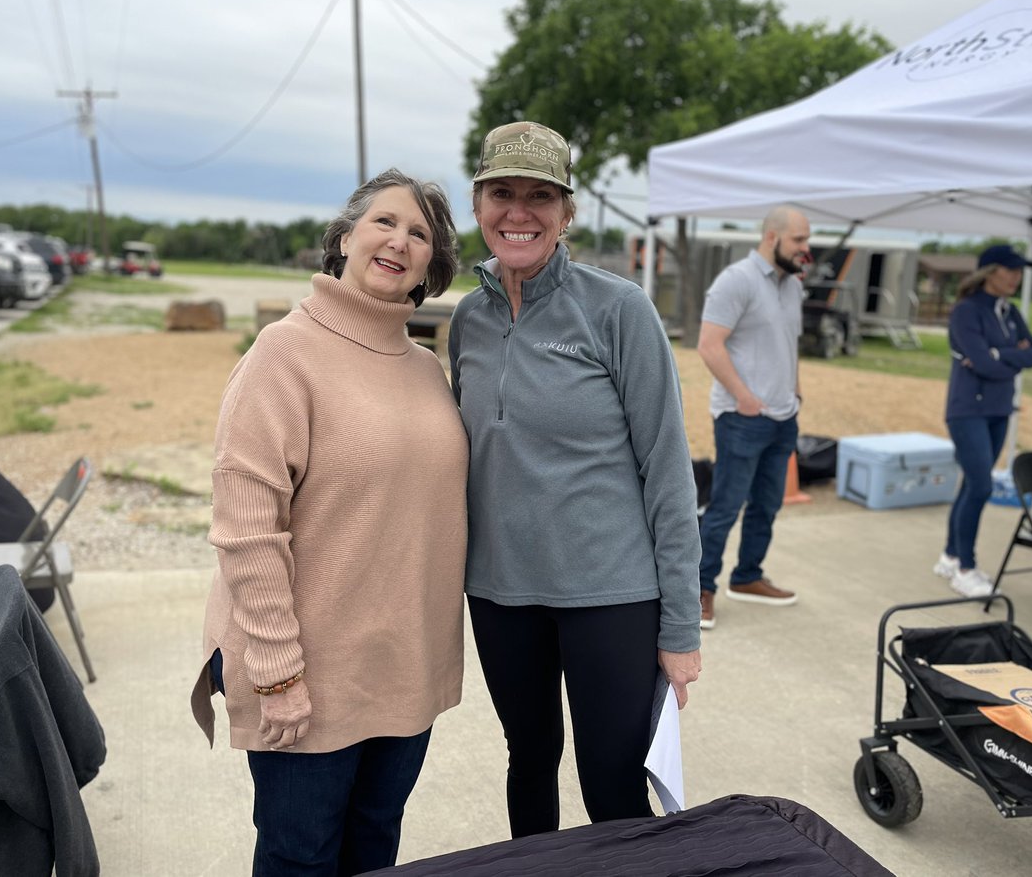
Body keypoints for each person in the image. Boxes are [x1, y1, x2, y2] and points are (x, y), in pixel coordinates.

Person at [190, 168, 468, 876]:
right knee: (301, 856)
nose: (399, 241)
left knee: (375, 843)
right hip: (305, 667)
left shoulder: (425, 368)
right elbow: (248, 529)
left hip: (401, 664)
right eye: (384, 222)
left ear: (429, 270)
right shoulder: (285, 353)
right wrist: (279, 673)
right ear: (344, 238)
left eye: (419, 235)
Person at [449, 121, 701, 838]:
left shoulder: (619, 310)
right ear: (478, 204)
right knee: (528, 761)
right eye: (503, 193)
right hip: (500, 595)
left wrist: (680, 625)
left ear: (567, 213)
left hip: (610, 597)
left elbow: (668, 473)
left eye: (540, 196)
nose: (519, 212)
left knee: (612, 785)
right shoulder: (467, 319)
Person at [696, 206, 808, 629]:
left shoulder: (793, 285)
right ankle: (700, 588)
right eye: (799, 239)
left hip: (783, 416)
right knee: (726, 505)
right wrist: (744, 397)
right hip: (742, 417)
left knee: (767, 504)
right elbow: (710, 345)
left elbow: (788, 344)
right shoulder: (736, 281)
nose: (805, 248)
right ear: (772, 237)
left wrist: (795, 390)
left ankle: (747, 577)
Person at [935, 243, 1032, 597]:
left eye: (1018, 271)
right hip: (968, 410)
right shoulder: (967, 311)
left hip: (998, 409)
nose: (1016, 277)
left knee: (971, 483)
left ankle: (950, 555)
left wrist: (999, 354)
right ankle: (966, 567)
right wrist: (1010, 356)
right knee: (981, 486)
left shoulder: (1009, 311)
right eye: (1009, 270)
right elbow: (983, 364)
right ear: (989, 272)